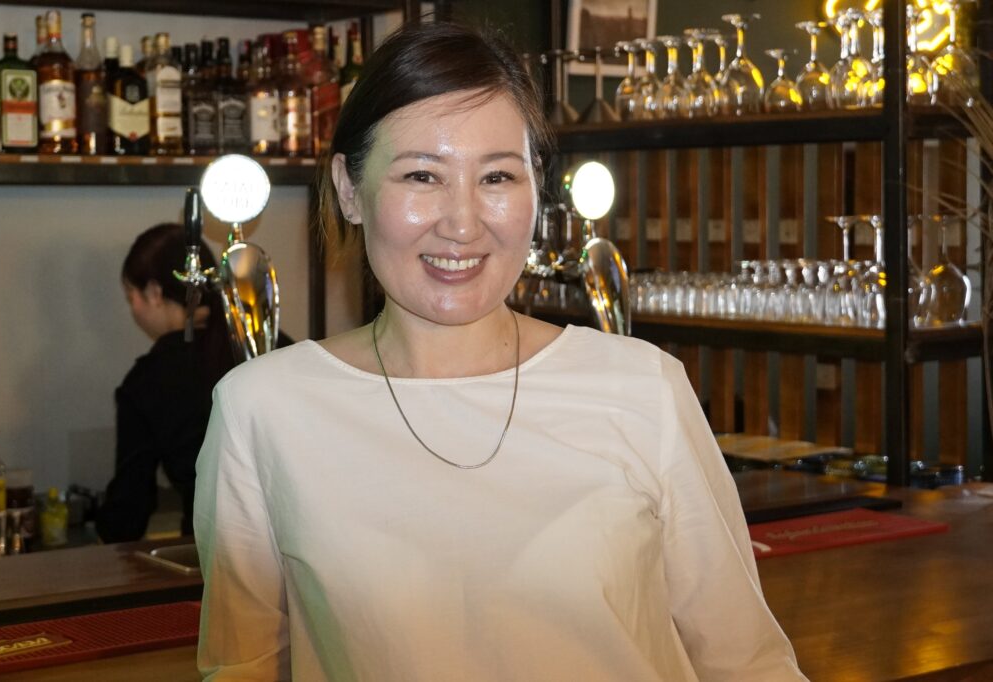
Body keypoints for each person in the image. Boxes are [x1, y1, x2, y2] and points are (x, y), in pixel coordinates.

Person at [194, 21, 806, 681]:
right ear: (349, 190)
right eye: (422, 175)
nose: (462, 224)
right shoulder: (263, 410)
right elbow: (242, 668)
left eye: (496, 177)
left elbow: (747, 662)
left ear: (536, 189)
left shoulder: (642, 388)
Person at [96, 223, 235, 543]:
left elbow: (128, 512)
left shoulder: (148, 381)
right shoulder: (264, 341)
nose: (133, 311)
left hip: (213, 551)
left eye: (131, 297)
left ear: (155, 292)